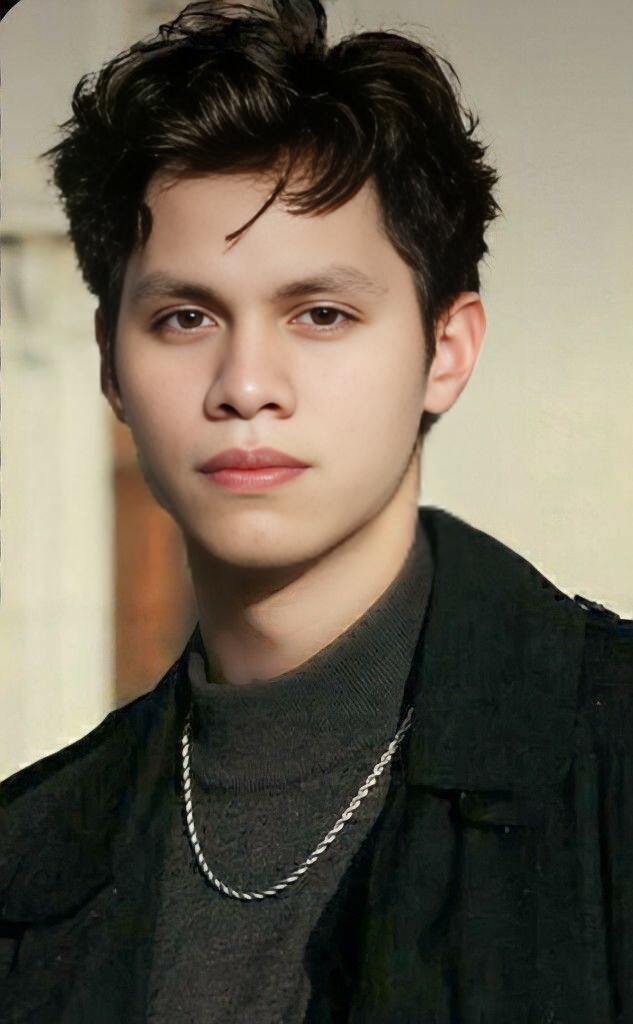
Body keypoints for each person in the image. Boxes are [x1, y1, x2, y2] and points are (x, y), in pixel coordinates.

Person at [1, 1, 631, 1021]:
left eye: (322, 314)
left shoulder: (611, 763)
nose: (247, 384)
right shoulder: (28, 854)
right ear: (111, 365)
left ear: (446, 351)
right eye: (185, 316)